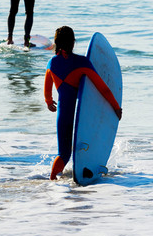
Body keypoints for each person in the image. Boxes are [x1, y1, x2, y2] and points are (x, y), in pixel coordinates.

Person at [44, 26, 122, 180]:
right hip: (84, 115)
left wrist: (49, 102)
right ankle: (84, 178)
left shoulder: (51, 63)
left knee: (63, 155)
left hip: (64, 114)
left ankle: (51, 182)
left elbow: (47, 89)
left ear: (56, 43)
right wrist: (116, 107)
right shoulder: (81, 63)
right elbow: (103, 89)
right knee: (86, 148)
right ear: (73, 42)